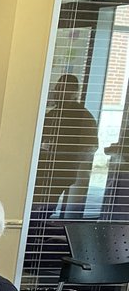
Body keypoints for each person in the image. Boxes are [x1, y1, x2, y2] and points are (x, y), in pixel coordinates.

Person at [36, 73, 100, 219]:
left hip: (62, 170)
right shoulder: (54, 114)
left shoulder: (83, 117)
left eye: (63, 89)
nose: (57, 92)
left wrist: (66, 153)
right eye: (57, 88)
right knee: (40, 206)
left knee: (45, 206)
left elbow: (90, 146)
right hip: (46, 169)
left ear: (74, 92)